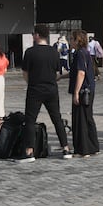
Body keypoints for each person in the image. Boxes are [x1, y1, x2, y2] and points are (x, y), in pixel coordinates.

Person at [21, 24, 72, 162]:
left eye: (33, 34)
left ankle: (29, 151)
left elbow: (25, 73)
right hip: (51, 89)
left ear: (37, 35)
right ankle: (66, 148)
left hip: (35, 89)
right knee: (57, 119)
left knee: (30, 120)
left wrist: (31, 83)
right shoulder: (54, 52)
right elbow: (57, 73)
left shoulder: (30, 52)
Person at [68, 30, 100, 157]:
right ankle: (93, 146)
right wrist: (61, 77)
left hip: (83, 90)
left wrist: (76, 92)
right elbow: (76, 72)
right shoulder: (85, 53)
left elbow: (81, 73)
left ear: (78, 40)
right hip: (88, 89)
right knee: (87, 118)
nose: (70, 41)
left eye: (72, 39)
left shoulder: (80, 53)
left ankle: (83, 149)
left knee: (80, 120)